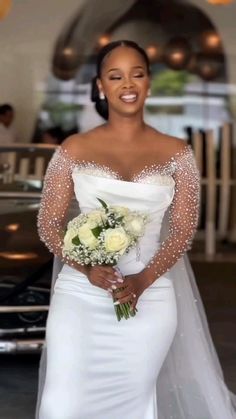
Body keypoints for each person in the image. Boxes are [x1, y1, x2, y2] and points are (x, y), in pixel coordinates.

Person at [36, 40, 236, 419]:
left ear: (148, 84)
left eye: (137, 74)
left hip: (150, 297)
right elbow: (48, 224)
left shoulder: (179, 153)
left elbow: (182, 230)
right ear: (100, 86)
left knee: (132, 405)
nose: (127, 84)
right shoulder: (73, 149)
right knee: (63, 404)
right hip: (80, 298)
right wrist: (85, 267)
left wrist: (142, 281)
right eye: (116, 76)